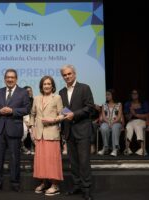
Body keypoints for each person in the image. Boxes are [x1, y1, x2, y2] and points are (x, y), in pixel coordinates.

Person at [0, 68, 30, 192]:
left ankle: (15, 183)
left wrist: (12, 111)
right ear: (5, 79)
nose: (10, 79)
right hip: (0, 129)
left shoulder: (23, 92)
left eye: (12, 77)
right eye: (8, 77)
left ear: (16, 79)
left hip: (14, 129)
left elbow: (27, 109)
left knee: (14, 158)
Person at [59, 64, 94, 200]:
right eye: (64, 75)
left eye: (69, 74)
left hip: (82, 130)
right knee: (73, 162)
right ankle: (77, 185)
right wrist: (68, 114)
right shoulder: (61, 92)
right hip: (69, 131)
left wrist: (75, 114)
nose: (67, 76)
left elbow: (90, 107)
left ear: (74, 74)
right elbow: (63, 109)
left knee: (84, 161)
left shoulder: (84, 88)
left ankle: (86, 189)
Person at [29, 76, 64, 196]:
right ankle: (44, 183)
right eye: (44, 84)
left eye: (49, 84)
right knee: (41, 160)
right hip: (39, 134)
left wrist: (52, 120)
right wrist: (32, 128)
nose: (47, 86)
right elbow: (32, 114)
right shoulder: (36, 98)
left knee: (52, 160)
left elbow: (62, 115)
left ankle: (55, 185)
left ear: (52, 86)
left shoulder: (57, 97)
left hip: (52, 133)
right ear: (41, 86)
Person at [124, 89, 149, 155]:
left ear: (139, 95)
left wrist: (136, 114)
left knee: (138, 127)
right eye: (133, 93)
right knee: (128, 127)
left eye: (136, 93)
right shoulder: (128, 104)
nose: (134, 95)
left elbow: (147, 115)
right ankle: (127, 148)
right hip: (131, 121)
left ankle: (143, 149)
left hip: (142, 121)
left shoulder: (144, 103)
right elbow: (127, 118)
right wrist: (131, 112)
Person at [98, 89, 123, 157]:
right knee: (103, 127)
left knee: (115, 127)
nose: (106, 96)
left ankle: (115, 149)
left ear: (113, 95)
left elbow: (119, 116)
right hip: (107, 122)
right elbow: (103, 116)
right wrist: (108, 122)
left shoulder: (119, 104)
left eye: (108, 95)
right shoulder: (104, 105)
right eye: (106, 95)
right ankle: (105, 147)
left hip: (116, 122)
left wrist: (113, 122)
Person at [22, 86, 35, 155]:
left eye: (30, 91)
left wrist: (32, 122)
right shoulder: (21, 101)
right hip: (23, 119)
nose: (29, 92)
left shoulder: (34, 100)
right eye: (27, 91)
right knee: (24, 133)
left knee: (33, 134)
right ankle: (22, 147)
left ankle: (33, 147)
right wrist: (26, 121)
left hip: (33, 119)